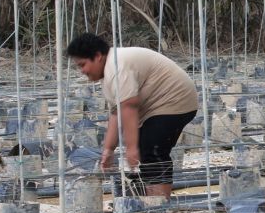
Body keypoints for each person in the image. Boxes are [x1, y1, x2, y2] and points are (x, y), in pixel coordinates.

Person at [67, 33, 200, 199]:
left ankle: (159, 207)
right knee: (147, 151)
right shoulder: (109, 73)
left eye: (83, 65)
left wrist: (131, 148)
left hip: (174, 100)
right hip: (159, 105)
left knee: (152, 150)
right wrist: (108, 150)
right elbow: (117, 113)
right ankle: (151, 202)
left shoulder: (117, 67)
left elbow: (129, 107)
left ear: (97, 56)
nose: (82, 71)